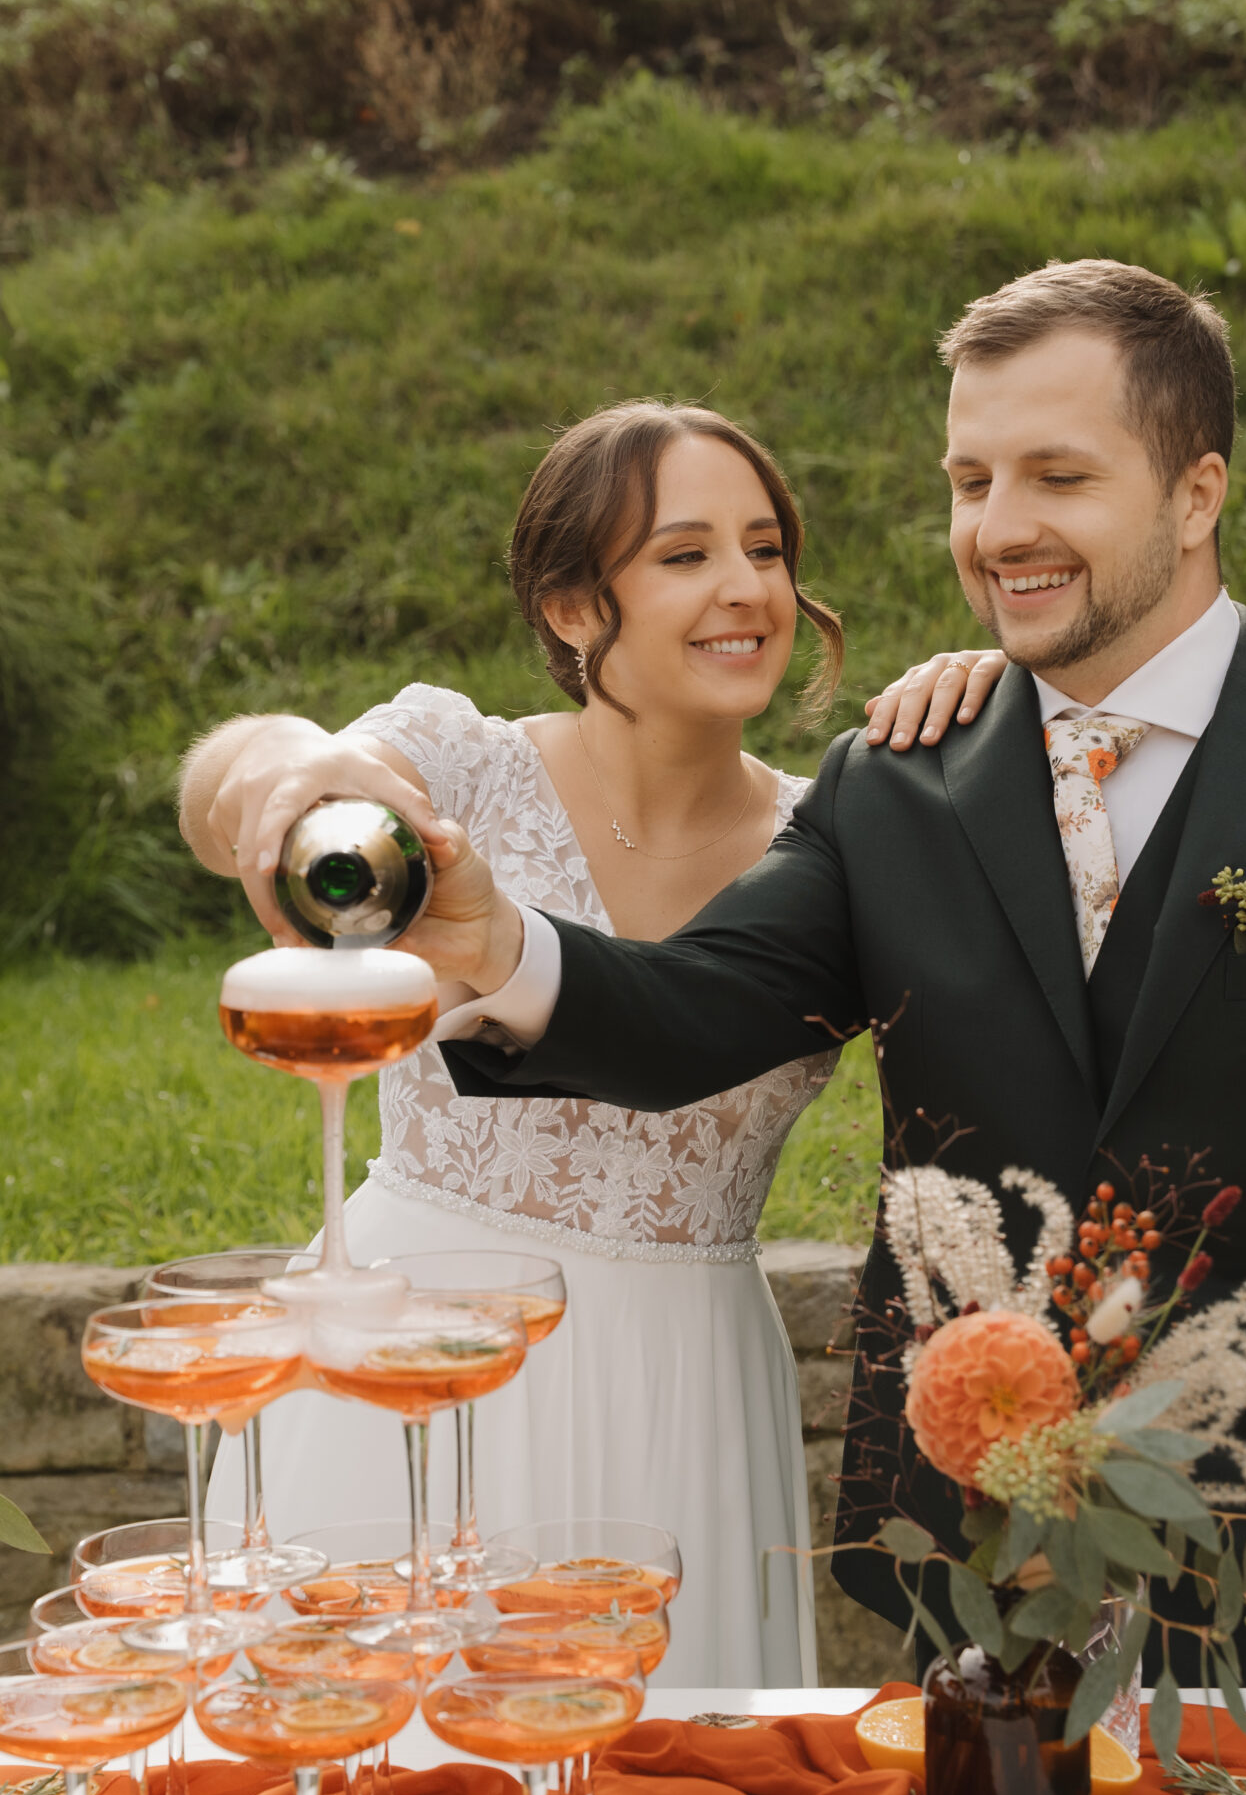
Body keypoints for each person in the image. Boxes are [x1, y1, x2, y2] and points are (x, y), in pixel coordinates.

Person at [418, 262, 1246, 1795]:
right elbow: (694, 1016)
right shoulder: (897, 784)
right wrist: (493, 940)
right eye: (968, 479)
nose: (998, 522)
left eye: (1058, 476)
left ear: (1197, 489)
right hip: (973, 1542)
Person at [177, 400, 1000, 1687]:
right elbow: (239, 784)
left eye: (766, 548)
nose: (746, 589)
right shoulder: (453, 765)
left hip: (685, 1388)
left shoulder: (843, 830)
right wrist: (295, 757)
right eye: (685, 555)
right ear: (571, 608)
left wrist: (1012, 702)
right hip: (410, 1349)